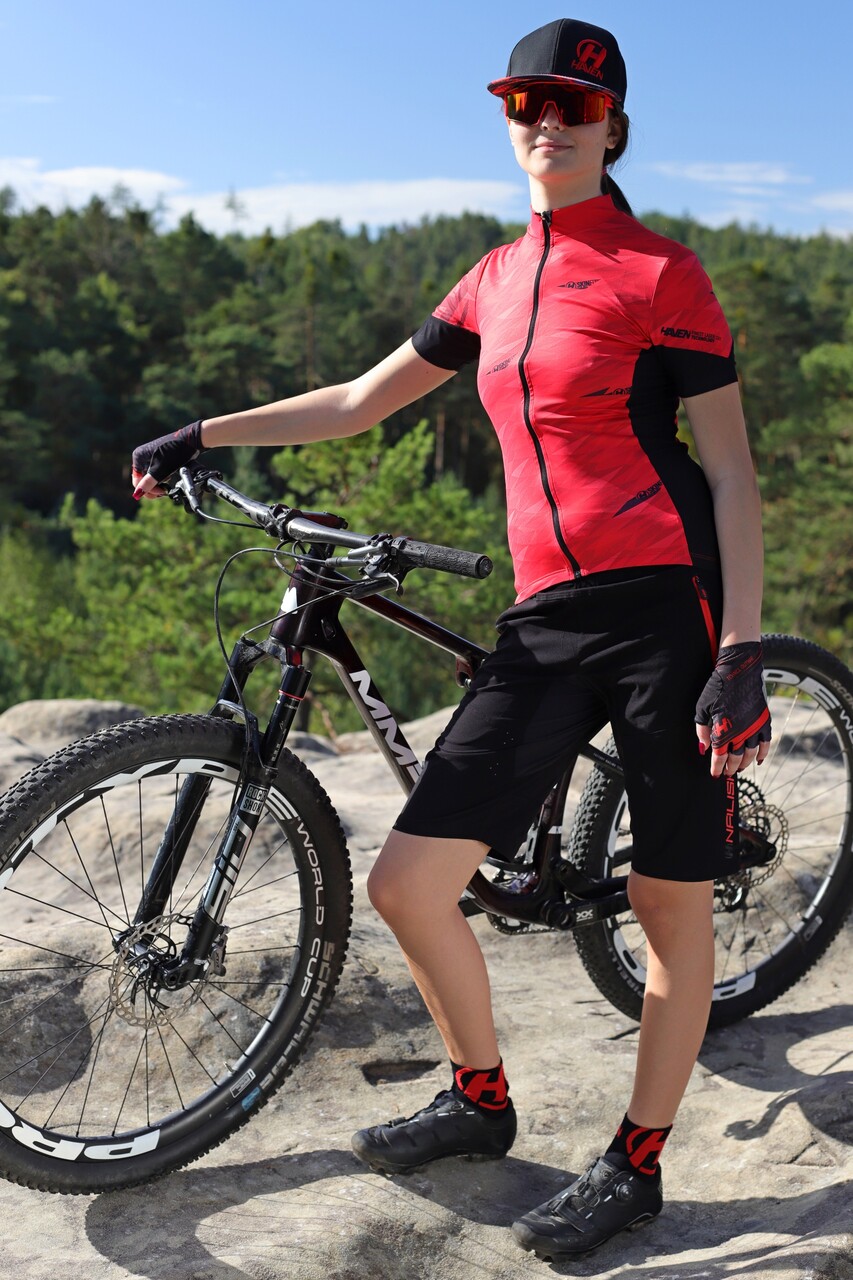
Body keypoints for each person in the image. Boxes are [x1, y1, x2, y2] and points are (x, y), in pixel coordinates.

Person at [131, 17, 771, 1260]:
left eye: (573, 106)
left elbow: (733, 473)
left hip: (665, 607)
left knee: (664, 899)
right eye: (526, 103)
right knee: (409, 882)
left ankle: (636, 1160)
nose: (548, 122)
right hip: (546, 614)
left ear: (613, 128)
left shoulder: (661, 274)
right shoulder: (492, 278)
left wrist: (740, 647)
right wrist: (203, 432)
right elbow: (358, 402)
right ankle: (481, 1095)